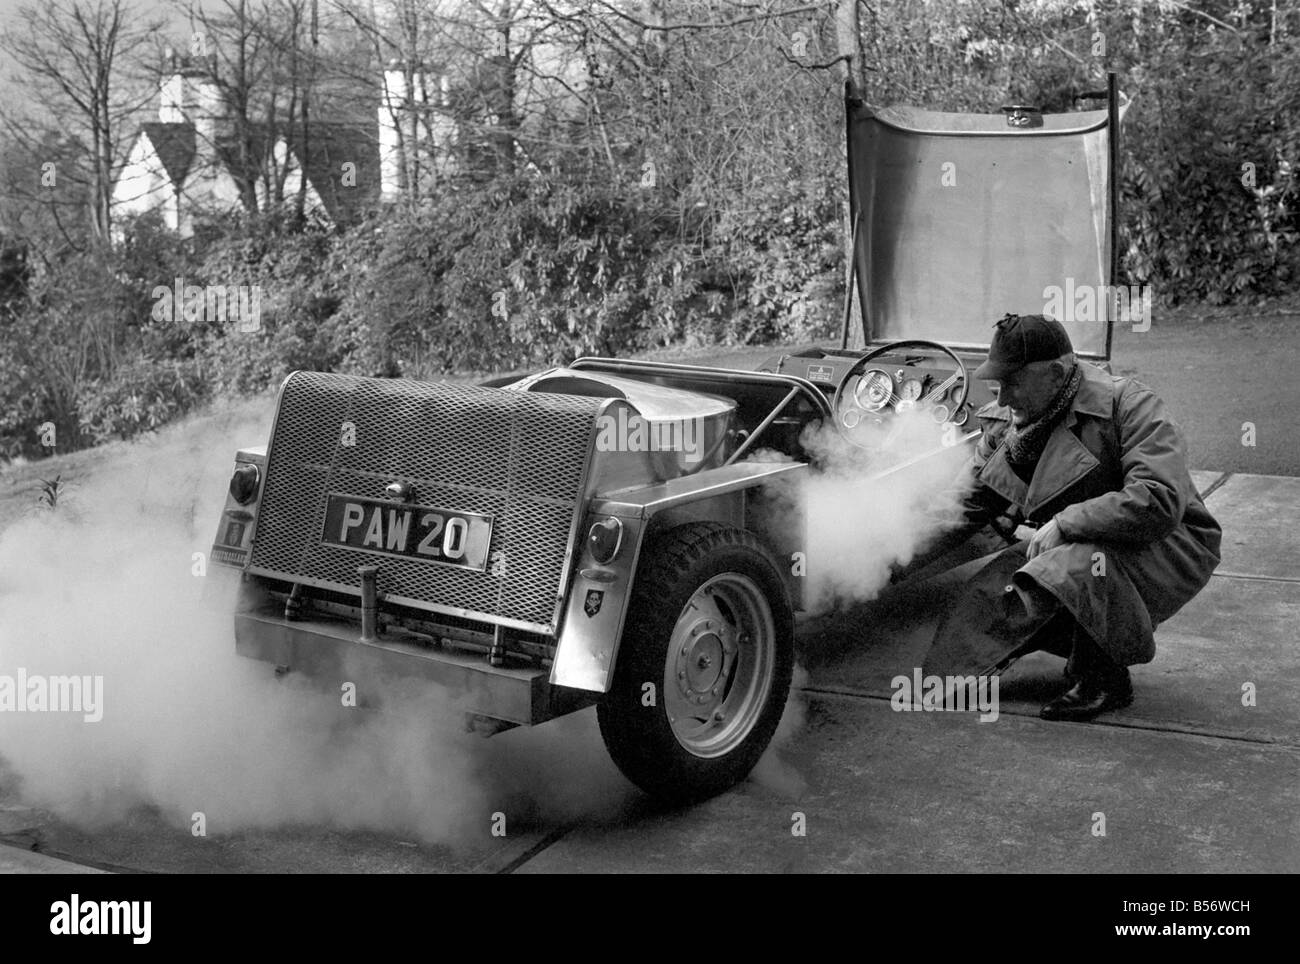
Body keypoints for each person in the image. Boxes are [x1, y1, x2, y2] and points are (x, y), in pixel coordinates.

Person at [920, 313, 1222, 721]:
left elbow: (1158, 498)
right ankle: (1081, 634)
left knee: (1072, 569)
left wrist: (1065, 522)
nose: (1003, 398)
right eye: (998, 383)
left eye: (1013, 382)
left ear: (1058, 373)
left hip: (1170, 545)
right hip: (1074, 546)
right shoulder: (1009, 425)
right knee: (984, 604)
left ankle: (1103, 676)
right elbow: (964, 506)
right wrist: (884, 556)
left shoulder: (1131, 404)